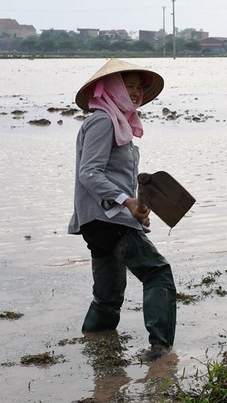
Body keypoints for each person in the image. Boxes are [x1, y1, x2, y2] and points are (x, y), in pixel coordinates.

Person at [68, 58, 176, 362]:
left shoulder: (117, 123)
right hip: (107, 218)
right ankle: (160, 351)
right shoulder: (103, 120)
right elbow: (89, 173)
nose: (134, 92)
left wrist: (137, 208)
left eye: (137, 87)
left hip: (101, 220)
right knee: (157, 272)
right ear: (109, 88)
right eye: (126, 85)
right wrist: (127, 202)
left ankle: (95, 344)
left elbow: (116, 177)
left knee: (108, 295)